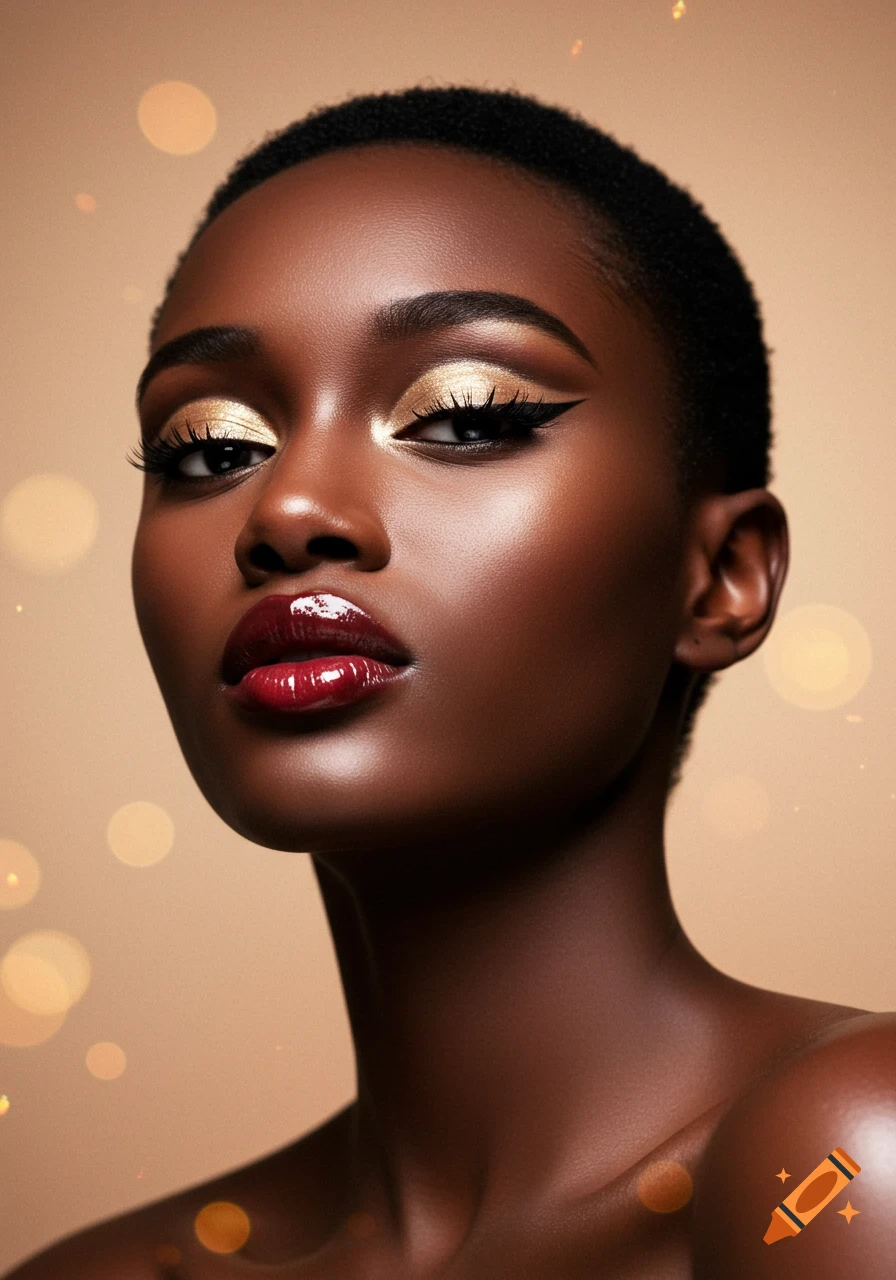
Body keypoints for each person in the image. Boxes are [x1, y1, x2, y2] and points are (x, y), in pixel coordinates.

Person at [8, 83, 894, 1280]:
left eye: (464, 417)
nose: (289, 509)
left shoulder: (839, 1163)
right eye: (209, 446)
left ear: (720, 577)